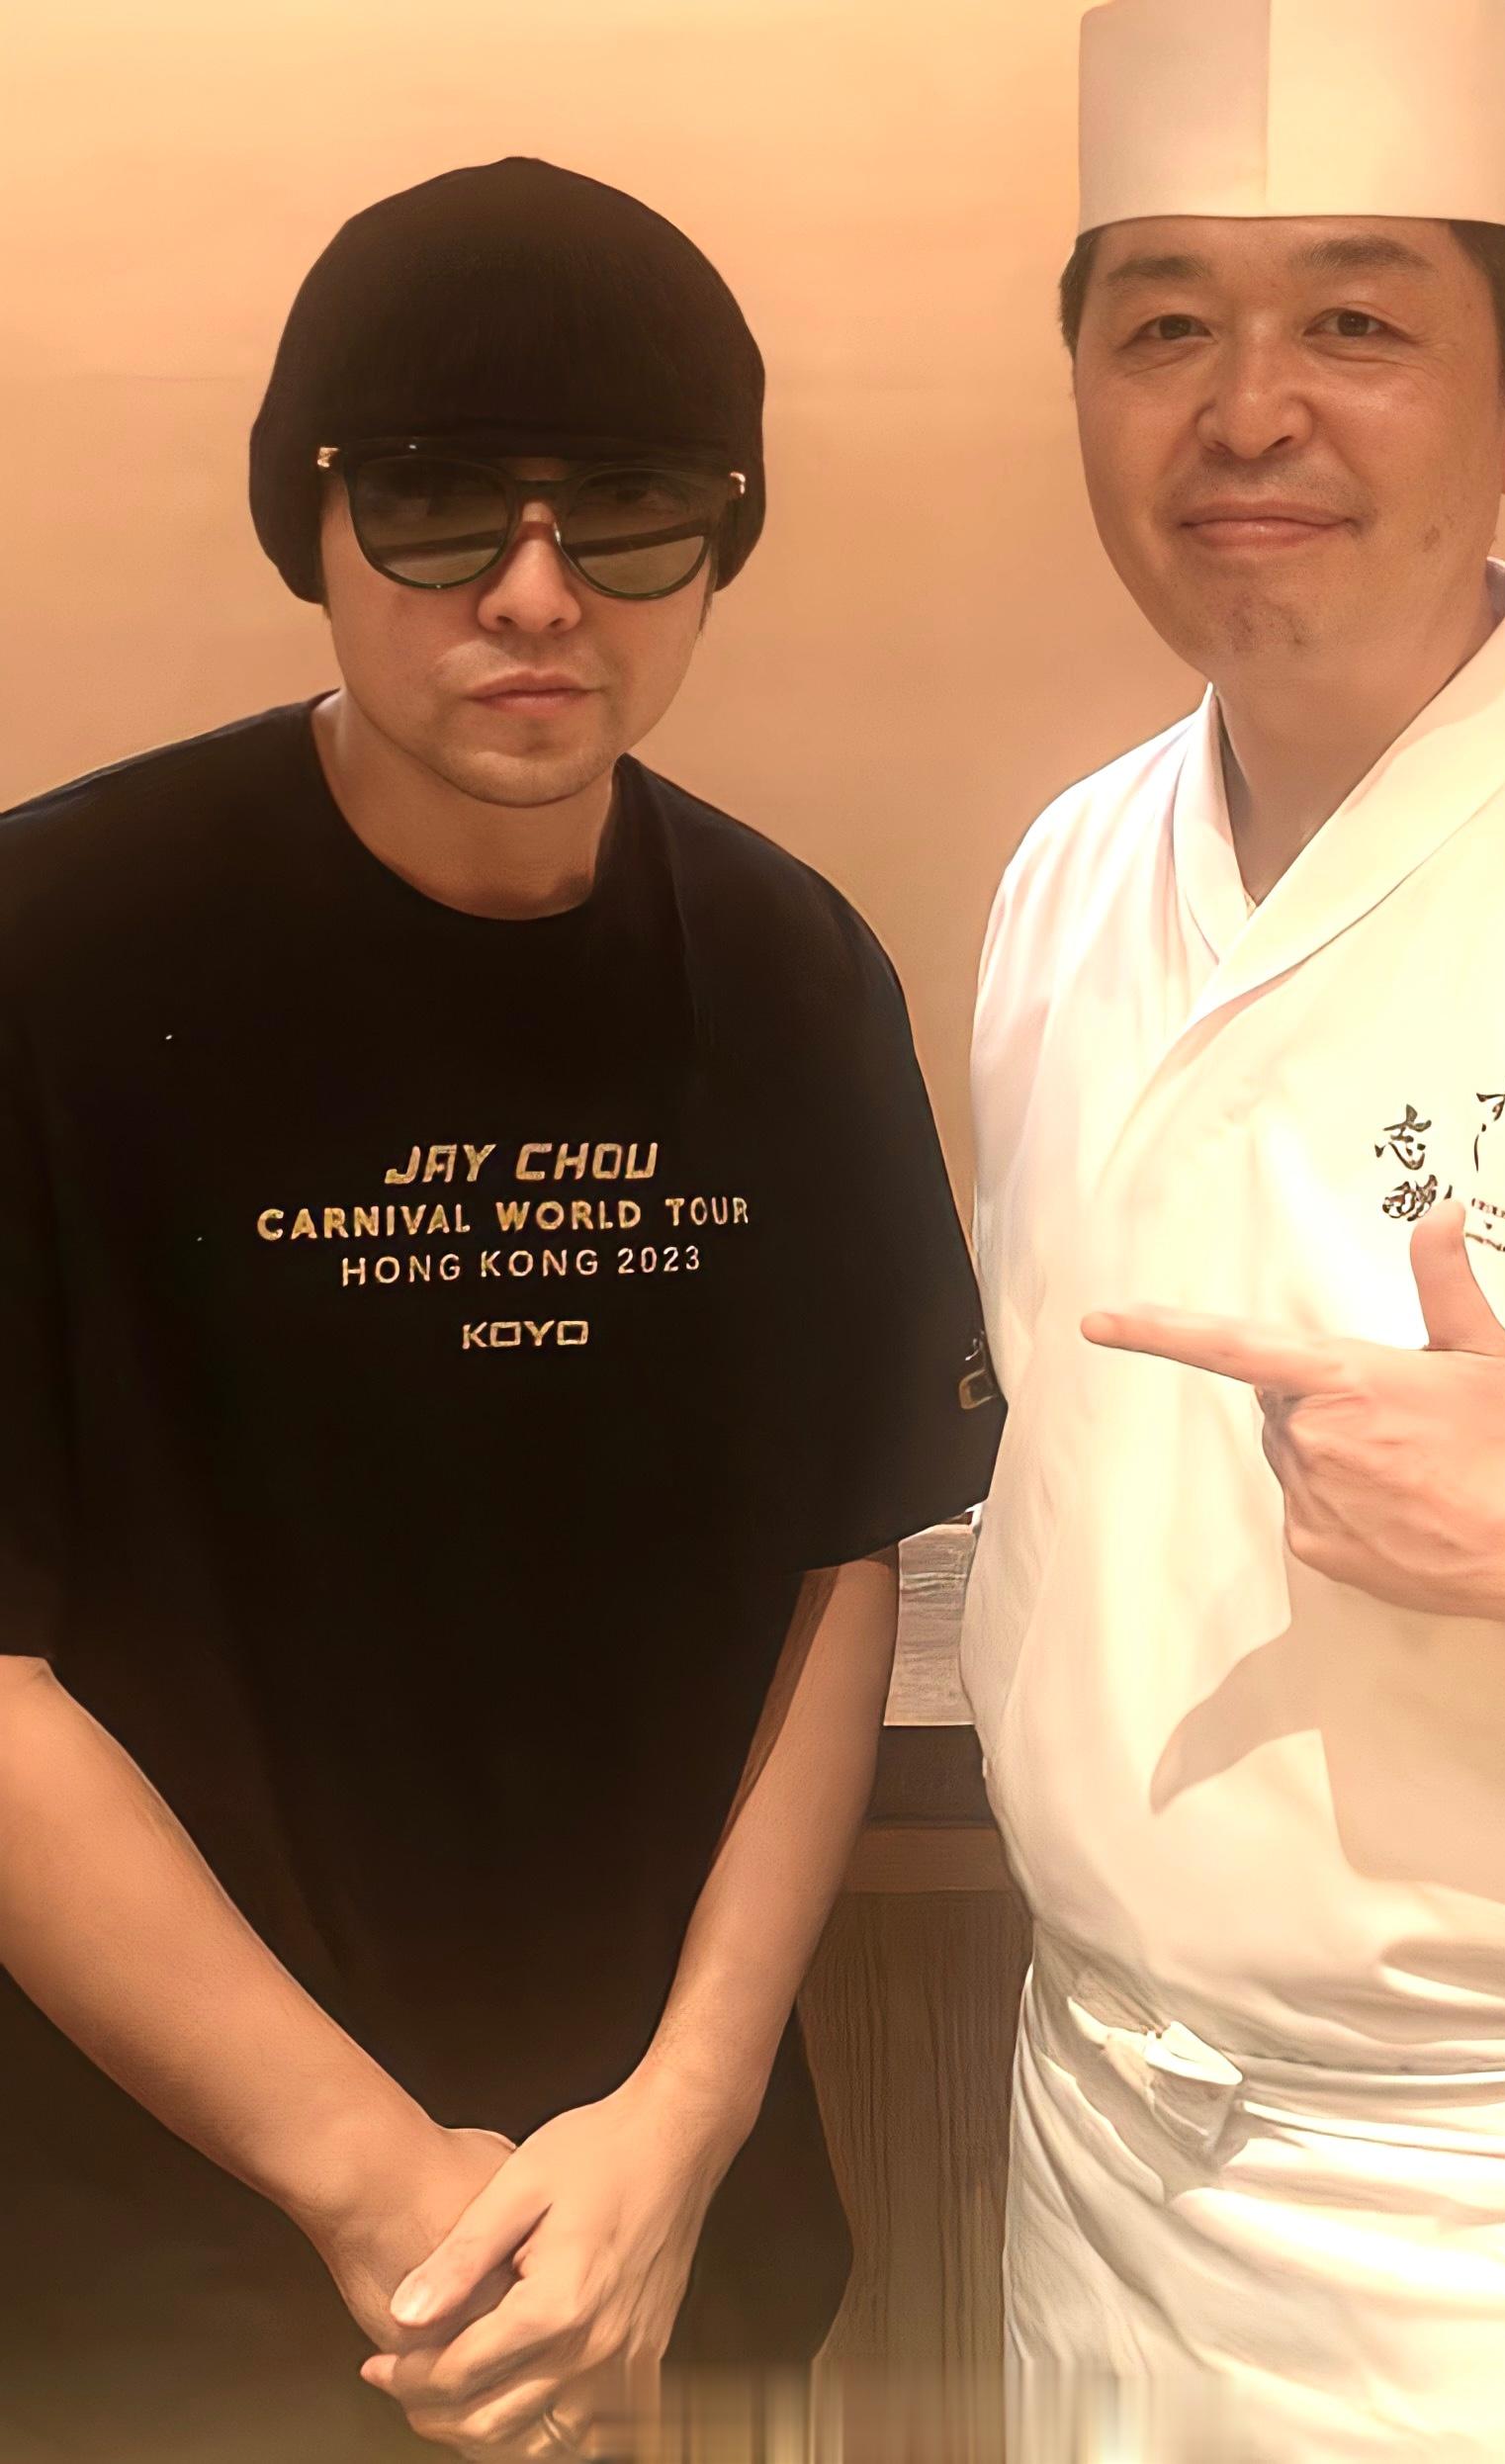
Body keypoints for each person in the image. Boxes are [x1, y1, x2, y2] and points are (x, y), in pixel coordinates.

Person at [0, 155, 1000, 2463]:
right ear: (312, 522)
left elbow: (834, 1567)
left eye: (631, 509)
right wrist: (384, 2190)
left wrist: (685, 2122)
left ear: (722, 540)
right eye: (440, 501)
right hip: (152, 2275)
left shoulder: (788, 971)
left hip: (662, 2249)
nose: (537, 593)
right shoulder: (56, 957)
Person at [961, 0, 1505, 2454]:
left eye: (1353, 320)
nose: (1248, 410)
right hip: (1097, 2158)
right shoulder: (1064, 877)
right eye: (1163, 325)